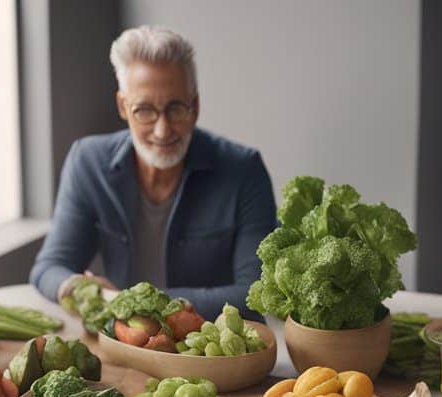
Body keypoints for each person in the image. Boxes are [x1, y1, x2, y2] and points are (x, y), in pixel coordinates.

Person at [30, 25, 277, 312]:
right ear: (123, 106)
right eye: (144, 110)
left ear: (195, 105)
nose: (162, 130)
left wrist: (132, 303)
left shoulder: (244, 171)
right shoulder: (87, 161)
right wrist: (76, 288)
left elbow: (256, 295)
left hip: (204, 350)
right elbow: (48, 268)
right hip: (118, 342)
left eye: (175, 108)